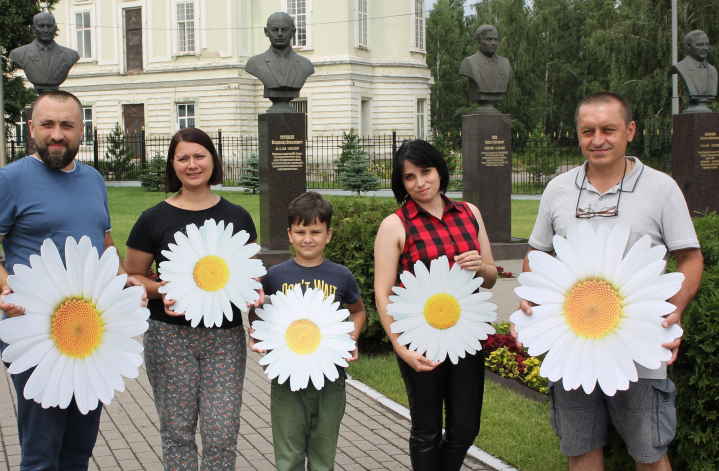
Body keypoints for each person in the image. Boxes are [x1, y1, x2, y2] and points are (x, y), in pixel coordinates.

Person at [512, 92, 704, 470]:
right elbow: (536, 257)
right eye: (588, 131)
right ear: (578, 135)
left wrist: (673, 314)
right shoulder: (558, 190)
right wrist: (531, 299)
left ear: (630, 131)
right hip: (572, 351)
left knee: (649, 450)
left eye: (608, 129)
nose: (597, 139)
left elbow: (690, 258)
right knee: (581, 448)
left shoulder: (661, 188)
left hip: (641, 346)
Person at [0, 90, 144, 471]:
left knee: (78, 449)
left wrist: (124, 283)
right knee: (41, 454)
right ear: (31, 128)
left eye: (67, 125)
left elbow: (106, 249)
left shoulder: (94, 180)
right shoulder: (8, 181)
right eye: (47, 124)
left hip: (90, 338)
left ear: (82, 130)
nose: (57, 134)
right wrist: (5, 285)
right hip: (36, 338)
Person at [123, 128, 262, 471]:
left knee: (221, 433)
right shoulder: (152, 219)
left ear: (213, 160)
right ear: (173, 165)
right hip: (169, 337)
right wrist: (162, 290)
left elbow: (249, 275)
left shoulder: (238, 217)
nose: (192, 164)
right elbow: (132, 277)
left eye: (199, 156)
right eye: (183, 158)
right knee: (177, 432)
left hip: (224, 338)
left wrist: (256, 307)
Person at [373, 139, 498, 470]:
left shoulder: (469, 213)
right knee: (427, 429)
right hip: (419, 338)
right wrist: (400, 347)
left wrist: (481, 267)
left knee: (465, 427)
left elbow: (490, 277)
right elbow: (382, 291)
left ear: (439, 171)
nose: (420, 183)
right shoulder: (396, 225)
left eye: (425, 171)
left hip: (466, 335)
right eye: (409, 177)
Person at [248, 192, 367, 471]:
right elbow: (258, 313)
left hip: (331, 379)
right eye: (300, 231)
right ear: (289, 234)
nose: (308, 238)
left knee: (323, 457)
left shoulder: (341, 276)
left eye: (316, 231)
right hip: (286, 379)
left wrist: (352, 338)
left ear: (328, 234)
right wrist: (254, 327)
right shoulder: (275, 276)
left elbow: (358, 311)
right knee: (288, 458)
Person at [9, 12, 80, 94]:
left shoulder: (70, 55)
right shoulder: (19, 54)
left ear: (55, 28)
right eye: (41, 26)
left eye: (49, 26)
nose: (46, 30)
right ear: (33, 29)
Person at [458, 24, 512, 101]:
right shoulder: (469, 63)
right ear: (478, 42)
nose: (493, 43)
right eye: (489, 39)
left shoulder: (505, 63)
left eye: (495, 39)